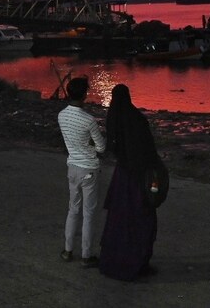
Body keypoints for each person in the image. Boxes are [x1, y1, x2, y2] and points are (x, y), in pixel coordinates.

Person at [99, 84, 160, 281]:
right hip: (138, 176)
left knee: (119, 220)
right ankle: (137, 262)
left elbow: (112, 147)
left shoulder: (114, 119)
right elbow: (148, 150)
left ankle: (116, 260)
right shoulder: (136, 119)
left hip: (122, 175)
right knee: (142, 219)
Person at [57, 76, 106, 268]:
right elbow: (101, 147)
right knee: (88, 213)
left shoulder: (62, 116)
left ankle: (68, 250)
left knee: (73, 209)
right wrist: (91, 145)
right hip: (89, 169)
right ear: (84, 94)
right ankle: (86, 255)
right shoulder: (89, 120)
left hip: (73, 167)